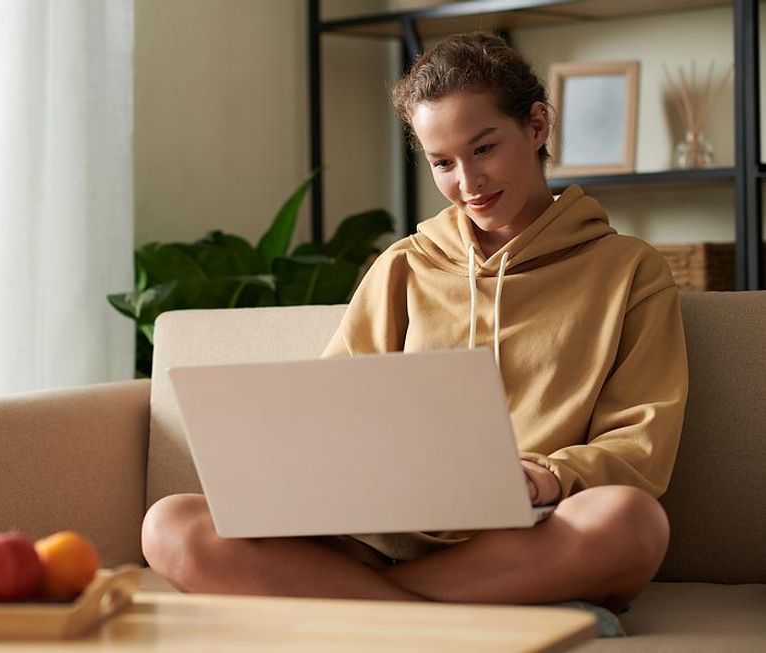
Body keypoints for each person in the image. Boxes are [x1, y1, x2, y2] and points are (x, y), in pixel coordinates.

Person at [141, 32, 688, 616]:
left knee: (631, 523)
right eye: (443, 162)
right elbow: (331, 411)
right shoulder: (404, 264)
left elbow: (641, 441)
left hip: (526, 540)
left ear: (536, 126)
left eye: (484, 148)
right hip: (377, 541)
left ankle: (368, 610)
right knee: (170, 525)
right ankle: (436, 611)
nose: (469, 183)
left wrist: (546, 477)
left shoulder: (630, 269)